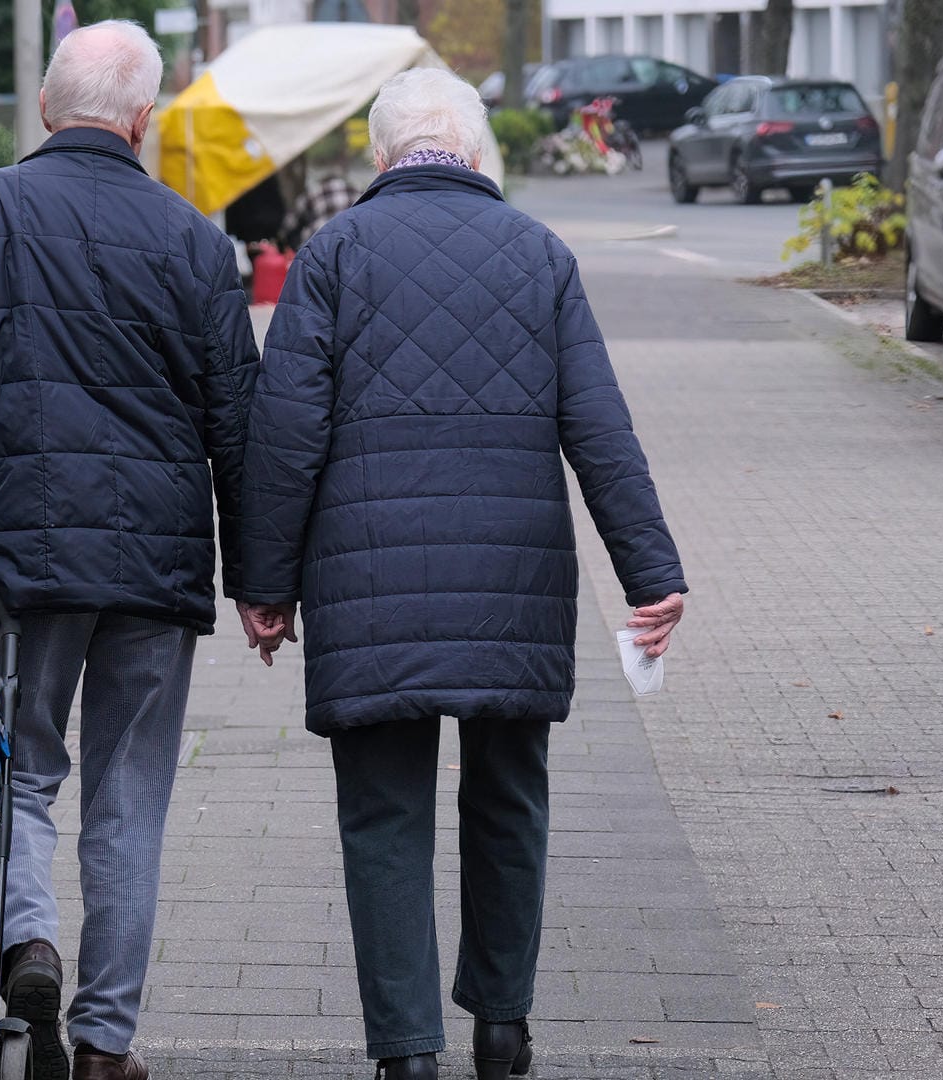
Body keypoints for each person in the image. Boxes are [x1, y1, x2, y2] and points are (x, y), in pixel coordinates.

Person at [236, 69, 688, 1080]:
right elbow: (599, 429)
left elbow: (284, 436)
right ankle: (502, 1023)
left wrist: (265, 590)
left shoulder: (333, 258)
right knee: (509, 795)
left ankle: (406, 1053)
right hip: (512, 583)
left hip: (368, 586)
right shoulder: (539, 254)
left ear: (380, 154)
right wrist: (650, 572)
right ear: (477, 153)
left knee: (384, 812)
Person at [0, 20, 263, 1080]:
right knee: (129, 800)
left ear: (45, 107)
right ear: (141, 120)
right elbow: (240, 422)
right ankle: (103, 1045)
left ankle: (28, 940)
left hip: (18, 567)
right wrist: (266, 585)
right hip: (156, 568)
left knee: (20, 771)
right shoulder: (192, 239)